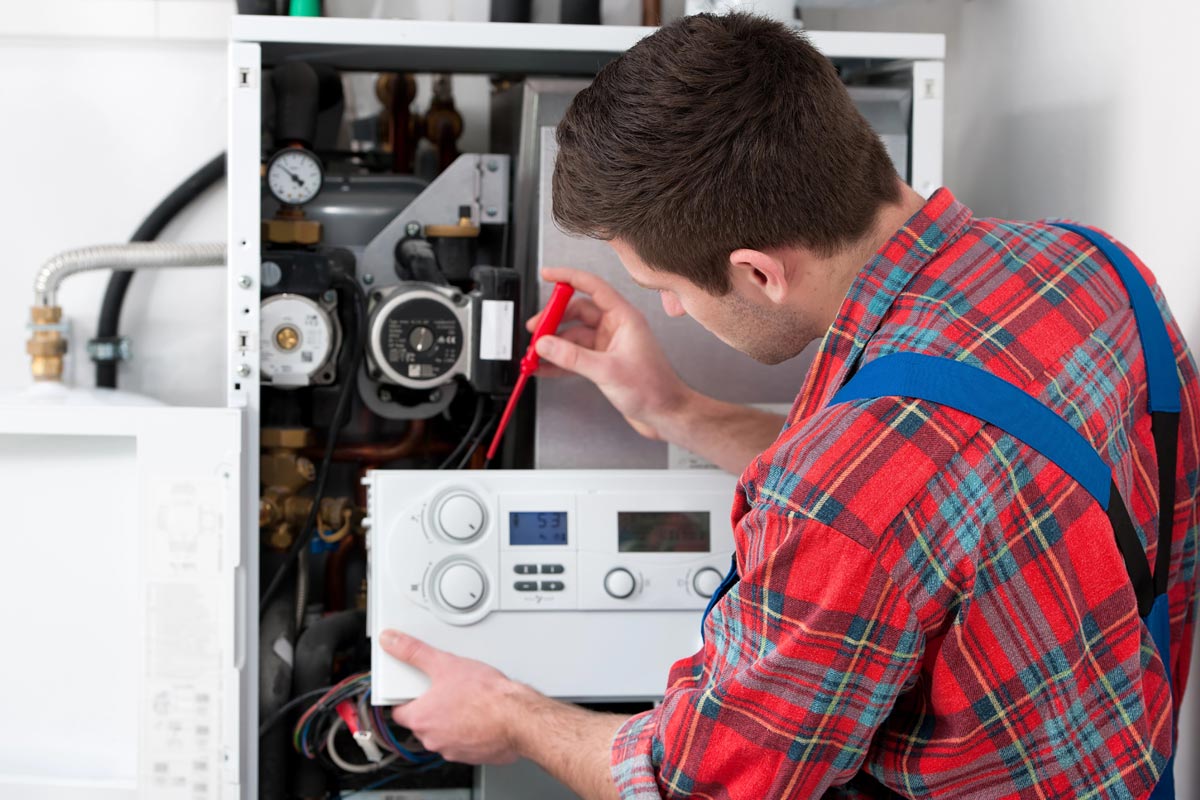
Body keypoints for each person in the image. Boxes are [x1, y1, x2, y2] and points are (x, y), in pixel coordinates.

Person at [377, 12, 1198, 799]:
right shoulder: (1093, 268)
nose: (667, 310)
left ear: (759, 272)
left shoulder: (838, 499)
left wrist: (509, 717)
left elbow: (696, 785)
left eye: (664, 289)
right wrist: (674, 410)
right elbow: (936, 494)